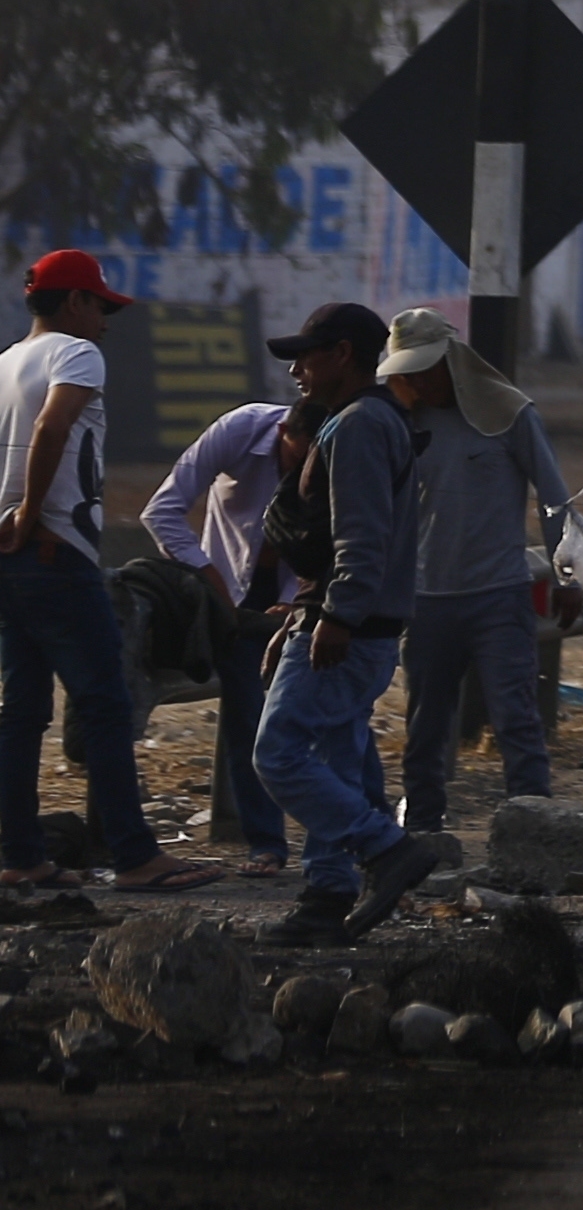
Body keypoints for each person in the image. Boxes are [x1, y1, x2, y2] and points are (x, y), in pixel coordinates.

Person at [0, 251, 203, 896]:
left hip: (11, 561)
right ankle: (136, 855)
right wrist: (34, 514)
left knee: (22, 712)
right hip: (56, 553)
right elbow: (53, 425)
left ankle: (22, 855)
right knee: (106, 704)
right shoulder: (75, 354)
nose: (107, 320)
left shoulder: (4, 363)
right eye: (100, 306)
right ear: (72, 303)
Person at [257, 300, 452, 941]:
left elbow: (362, 538)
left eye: (306, 357)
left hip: (349, 626)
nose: (298, 374)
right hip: (348, 620)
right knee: (335, 760)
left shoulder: (363, 424)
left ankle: (384, 849)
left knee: (278, 753)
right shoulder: (371, 419)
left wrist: (335, 615)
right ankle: (326, 896)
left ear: (343, 354)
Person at [372, 307, 576, 837]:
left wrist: (567, 573)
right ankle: (421, 831)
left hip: (498, 593)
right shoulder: (398, 423)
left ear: (452, 363)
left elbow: (554, 497)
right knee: (425, 726)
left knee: (515, 717)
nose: (414, 383)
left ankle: (535, 828)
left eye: (423, 371)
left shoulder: (509, 413)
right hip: (424, 597)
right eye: (405, 373)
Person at [145, 343, 318, 876]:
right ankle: (267, 842)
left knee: (317, 721)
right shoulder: (242, 430)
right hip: (226, 604)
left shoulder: (337, 457)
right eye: (299, 461)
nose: (305, 477)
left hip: (295, 603)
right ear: (286, 434)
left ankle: (332, 841)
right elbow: (162, 511)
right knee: (250, 715)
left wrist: (302, 596)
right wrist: (209, 576)